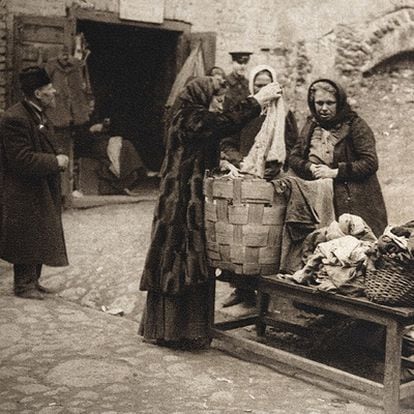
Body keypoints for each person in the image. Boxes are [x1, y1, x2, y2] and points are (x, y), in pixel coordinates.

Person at [139, 76, 282, 349]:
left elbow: (200, 149)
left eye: (221, 100)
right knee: (178, 261)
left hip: (189, 199)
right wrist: (256, 101)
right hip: (180, 202)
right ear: (201, 97)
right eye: (216, 99)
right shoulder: (187, 116)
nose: (219, 104)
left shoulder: (193, 118)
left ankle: (186, 331)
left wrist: (221, 165)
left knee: (189, 263)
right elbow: (220, 124)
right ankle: (171, 331)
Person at [221, 64, 300, 308]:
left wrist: (277, 164)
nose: (263, 87)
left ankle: (265, 292)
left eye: (267, 83)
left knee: (267, 236)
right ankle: (241, 289)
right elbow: (228, 141)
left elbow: (294, 145)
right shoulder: (244, 112)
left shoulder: (284, 113)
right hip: (245, 177)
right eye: (258, 84)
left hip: (272, 179)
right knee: (242, 235)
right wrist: (241, 161)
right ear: (251, 86)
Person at [0, 66, 69, 299]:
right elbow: (21, 159)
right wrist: (55, 161)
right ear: (38, 93)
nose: (55, 91)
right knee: (27, 232)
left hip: (36, 184)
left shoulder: (36, 113)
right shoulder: (15, 118)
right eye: (50, 89)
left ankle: (33, 281)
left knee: (39, 230)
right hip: (22, 188)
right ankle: (23, 285)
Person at [289, 78, 387, 237]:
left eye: (330, 103)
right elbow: (294, 157)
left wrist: (335, 172)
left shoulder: (355, 125)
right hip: (319, 197)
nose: (324, 108)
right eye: (319, 103)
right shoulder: (311, 125)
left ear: (339, 102)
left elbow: (370, 162)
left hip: (353, 198)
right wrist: (310, 167)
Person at [76, 101, 148, 196]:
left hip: (104, 142)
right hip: (92, 147)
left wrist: (105, 126)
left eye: (93, 106)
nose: (91, 109)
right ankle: (130, 176)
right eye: (89, 106)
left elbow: (107, 131)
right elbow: (80, 141)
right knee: (123, 147)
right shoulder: (79, 120)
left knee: (126, 145)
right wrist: (91, 130)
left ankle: (136, 172)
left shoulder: (94, 116)